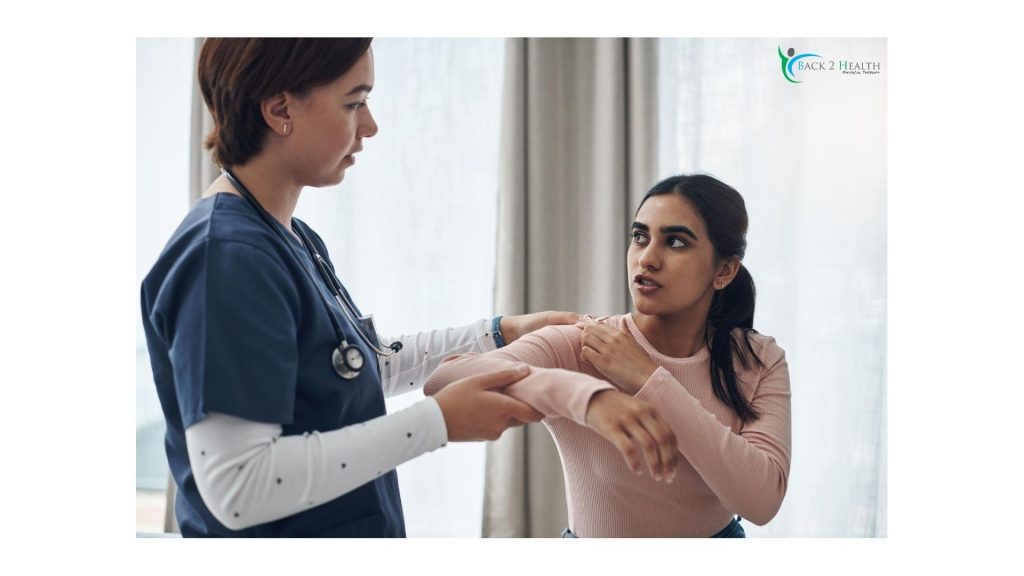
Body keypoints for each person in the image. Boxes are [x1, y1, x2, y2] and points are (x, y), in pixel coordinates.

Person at [140, 38, 677, 537]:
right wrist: (439, 421)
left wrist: (500, 332)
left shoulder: (288, 236)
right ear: (280, 110)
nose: (370, 126)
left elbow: (353, 371)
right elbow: (236, 487)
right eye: (354, 103)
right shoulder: (227, 259)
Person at [425, 174, 792, 538]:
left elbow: (761, 501)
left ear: (724, 271)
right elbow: (443, 380)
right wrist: (583, 396)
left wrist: (649, 380)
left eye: (676, 242)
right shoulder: (584, 345)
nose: (646, 259)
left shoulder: (758, 358)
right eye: (639, 237)